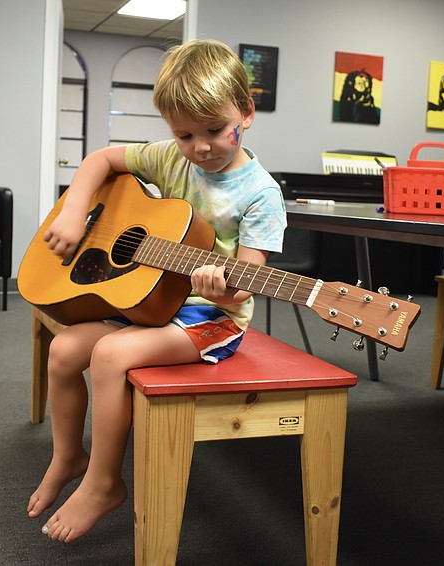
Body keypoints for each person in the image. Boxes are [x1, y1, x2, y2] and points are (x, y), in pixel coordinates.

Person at [26, 38, 287, 543]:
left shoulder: (261, 195)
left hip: (208, 319)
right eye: (185, 134)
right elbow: (102, 160)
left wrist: (223, 286)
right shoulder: (172, 158)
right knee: (62, 350)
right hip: (148, 300)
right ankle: (68, 455)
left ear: (246, 113)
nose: (200, 147)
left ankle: (104, 483)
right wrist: (75, 212)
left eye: (214, 130)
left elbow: (246, 279)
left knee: (107, 355)